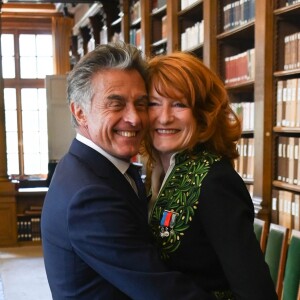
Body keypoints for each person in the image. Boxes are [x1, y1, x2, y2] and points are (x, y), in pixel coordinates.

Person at [41, 42, 215, 300]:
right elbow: (162, 292)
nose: (134, 118)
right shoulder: (88, 196)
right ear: (80, 112)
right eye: (116, 104)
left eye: (142, 104)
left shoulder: (105, 168)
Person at [143, 51, 278, 300]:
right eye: (153, 103)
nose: (164, 117)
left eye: (179, 104)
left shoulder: (215, 181)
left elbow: (257, 293)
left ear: (202, 114)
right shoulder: (156, 172)